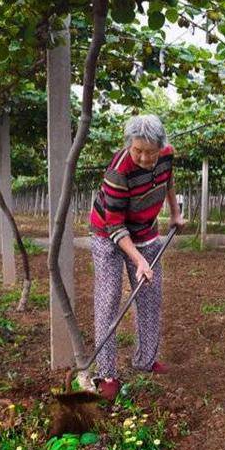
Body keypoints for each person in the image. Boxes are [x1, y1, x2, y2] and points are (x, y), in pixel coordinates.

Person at [89, 114, 185, 400]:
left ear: (161, 147)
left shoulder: (167, 156)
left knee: (150, 295)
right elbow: (116, 226)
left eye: (149, 152)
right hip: (109, 234)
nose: (143, 157)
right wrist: (139, 261)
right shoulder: (118, 172)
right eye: (137, 150)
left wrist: (175, 213)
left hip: (145, 231)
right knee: (109, 300)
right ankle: (107, 374)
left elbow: (168, 181)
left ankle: (145, 359)